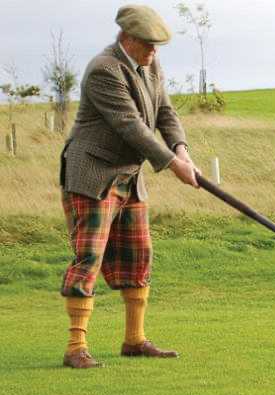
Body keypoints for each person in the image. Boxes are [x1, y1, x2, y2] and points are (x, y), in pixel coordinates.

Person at [59, 5, 200, 368]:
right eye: (148, 45)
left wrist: (181, 150)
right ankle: (76, 348)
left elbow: (165, 111)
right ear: (127, 37)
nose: (154, 53)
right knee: (88, 257)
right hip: (92, 174)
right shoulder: (104, 69)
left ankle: (135, 341)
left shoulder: (151, 64)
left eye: (158, 47)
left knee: (139, 255)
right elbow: (132, 125)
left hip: (129, 176)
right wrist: (171, 165)